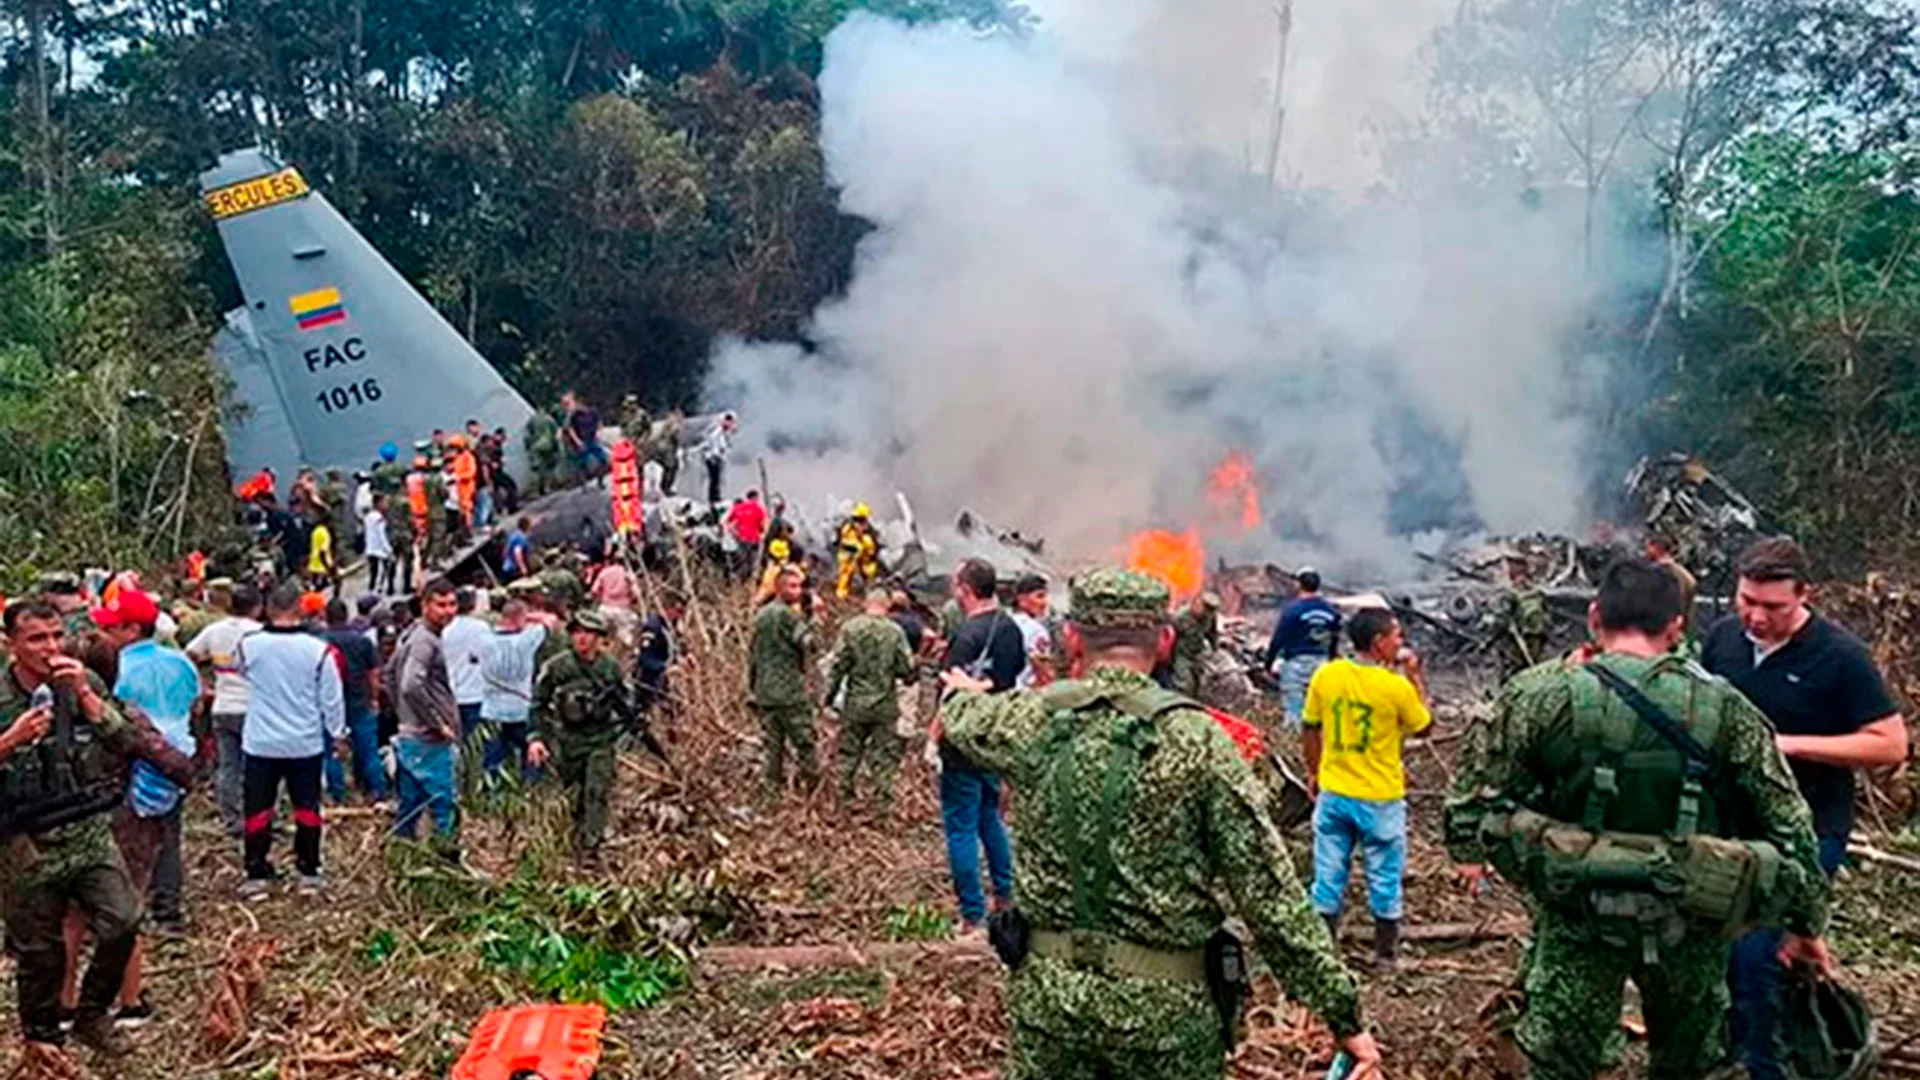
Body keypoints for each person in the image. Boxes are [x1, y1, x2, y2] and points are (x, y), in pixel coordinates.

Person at [939, 567, 1381, 1080]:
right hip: (1167, 1018)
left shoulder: (1028, 721)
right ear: (1166, 641)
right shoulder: (1201, 741)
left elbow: (961, 718)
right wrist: (1344, 1015)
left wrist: (965, 691)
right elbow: (1270, 897)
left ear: (1072, 637)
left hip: (1049, 1008)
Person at [1445, 557, 1836, 1080]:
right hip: (1692, 918)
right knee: (1691, 1063)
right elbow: (1791, 827)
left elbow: (1469, 807)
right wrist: (1805, 924)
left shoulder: (1537, 695)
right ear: (1676, 627)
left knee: (1560, 1062)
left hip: (1577, 916)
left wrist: (1517, 854)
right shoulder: (1727, 708)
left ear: (1594, 616)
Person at [1698, 536, 1908, 1080]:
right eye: (1747, 600)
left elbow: (1889, 744)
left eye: (1772, 606)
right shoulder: (1722, 639)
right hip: (1728, 827)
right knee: (1718, 952)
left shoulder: (1839, 656)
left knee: (1756, 957)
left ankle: (1768, 1068)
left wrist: (1791, 745)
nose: (1756, 615)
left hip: (1808, 830)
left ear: (1803, 596)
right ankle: (1733, 1051)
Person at [0, 600, 194, 1059]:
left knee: (124, 918)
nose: (50, 648)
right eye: (37, 639)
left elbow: (128, 740)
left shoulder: (83, 682)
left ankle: (92, 1013)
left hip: (86, 829)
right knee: (38, 954)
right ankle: (43, 1041)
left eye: (55, 635)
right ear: (11, 644)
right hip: (24, 840)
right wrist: (11, 740)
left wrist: (87, 700)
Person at [1302, 607, 1429, 971]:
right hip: (1379, 799)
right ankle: (1385, 955)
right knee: (1385, 877)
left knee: (1327, 874)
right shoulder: (1396, 688)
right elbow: (1424, 727)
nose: (1400, 642)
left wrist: (1314, 772)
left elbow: (1310, 728)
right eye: (1396, 636)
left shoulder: (1327, 676)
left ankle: (1323, 954)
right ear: (1378, 643)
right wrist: (1415, 676)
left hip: (1335, 794)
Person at [95, 588, 200, 1019]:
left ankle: (124, 916)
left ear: (131, 628)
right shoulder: (180, 661)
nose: (105, 632)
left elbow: (115, 722)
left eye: (111, 626)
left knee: (128, 848)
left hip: (136, 764)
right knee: (168, 836)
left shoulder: (118, 670)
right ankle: (169, 909)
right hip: (175, 759)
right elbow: (196, 700)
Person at [928, 557, 1023, 934]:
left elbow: (951, 695)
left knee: (961, 826)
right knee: (990, 817)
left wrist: (934, 739)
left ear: (965, 590)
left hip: (963, 742)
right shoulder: (1011, 629)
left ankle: (972, 916)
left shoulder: (966, 637)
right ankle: (1006, 894)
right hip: (994, 736)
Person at [235, 584, 347, 896]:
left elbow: (241, 671)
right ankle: (308, 870)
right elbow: (331, 699)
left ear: (267, 610)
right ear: (301, 610)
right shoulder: (318, 651)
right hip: (304, 743)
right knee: (307, 808)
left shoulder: (249, 645)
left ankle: (256, 871)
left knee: (258, 809)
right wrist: (338, 734)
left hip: (260, 742)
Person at [529, 611, 629, 860]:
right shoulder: (558, 667)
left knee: (596, 791)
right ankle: (570, 842)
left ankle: (591, 847)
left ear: (599, 638)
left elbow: (625, 704)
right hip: (568, 741)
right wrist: (536, 738)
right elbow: (538, 704)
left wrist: (627, 731)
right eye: (578, 633)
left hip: (601, 739)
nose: (582, 638)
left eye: (589, 633)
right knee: (573, 794)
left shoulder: (610, 667)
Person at [826, 590, 916, 813]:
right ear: (887, 606)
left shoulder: (851, 628)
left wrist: (829, 696)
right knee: (883, 756)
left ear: (866, 603)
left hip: (855, 703)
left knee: (849, 752)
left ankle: (844, 797)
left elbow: (837, 666)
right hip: (884, 705)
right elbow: (906, 668)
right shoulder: (895, 632)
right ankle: (881, 803)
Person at [186, 584, 263, 838]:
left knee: (228, 766)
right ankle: (258, 816)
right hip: (254, 708)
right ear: (257, 608)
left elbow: (189, 655)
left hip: (223, 707)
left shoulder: (214, 631)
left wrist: (201, 686)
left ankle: (232, 819)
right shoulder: (259, 634)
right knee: (258, 765)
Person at [390, 578, 461, 846]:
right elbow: (409, 684)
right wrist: (436, 722)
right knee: (445, 803)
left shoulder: (412, 634)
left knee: (412, 802)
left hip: (411, 735)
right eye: (440, 604)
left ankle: (402, 854)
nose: (448, 611)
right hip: (428, 740)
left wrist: (405, 716)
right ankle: (448, 859)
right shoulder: (425, 641)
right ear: (425, 605)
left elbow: (390, 675)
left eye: (452, 604)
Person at [749, 565, 820, 800]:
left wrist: (753, 687)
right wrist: (816, 617)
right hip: (789, 692)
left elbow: (753, 656)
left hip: (765, 691)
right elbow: (810, 643)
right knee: (805, 743)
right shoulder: (787, 615)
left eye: (799, 586)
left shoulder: (760, 615)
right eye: (793, 586)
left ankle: (771, 795)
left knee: (773, 748)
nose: (798, 591)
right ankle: (812, 792)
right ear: (779, 588)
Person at [321, 599, 387, 806]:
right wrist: (374, 698)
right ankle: (378, 790)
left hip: (329, 704)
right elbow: (373, 674)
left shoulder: (319, 642)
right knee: (368, 750)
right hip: (359, 701)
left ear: (325, 617)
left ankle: (337, 793)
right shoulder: (362, 642)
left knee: (332, 750)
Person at [480, 600, 548, 782]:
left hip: (491, 710)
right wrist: (530, 616)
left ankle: (491, 792)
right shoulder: (527, 640)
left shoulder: (483, 640)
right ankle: (530, 791)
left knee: (492, 758)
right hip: (521, 709)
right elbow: (549, 621)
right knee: (531, 753)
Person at [1265, 569, 1340, 730]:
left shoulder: (1293, 610)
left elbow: (1279, 638)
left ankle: (1294, 743)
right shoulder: (1330, 611)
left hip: (1295, 664)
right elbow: (1334, 638)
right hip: (1322, 663)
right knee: (1319, 707)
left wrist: (1269, 662)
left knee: (1294, 708)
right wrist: (1331, 659)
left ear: (1299, 584)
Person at [441, 589, 490, 742]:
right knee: (475, 743)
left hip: (451, 693)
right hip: (476, 692)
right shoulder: (481, 628)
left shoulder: (445, 629)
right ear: (473, 604)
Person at [636, 592, 684, 716]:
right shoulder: (653, 627)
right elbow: (644, 658)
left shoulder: (671, 627)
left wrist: (685, 656)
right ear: (668, 609)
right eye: (677, 611)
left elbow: (674, 647)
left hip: (665, 681)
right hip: (649, 681)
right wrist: (665, 668)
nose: (680, 615)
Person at [1168, 591, 1220, 699]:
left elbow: (1212, 633)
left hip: (1197, 651)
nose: (1206, 614)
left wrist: (1215, 648)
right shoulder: (1180, 617)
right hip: (1182, 654)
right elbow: (1170, 637)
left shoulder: (1210, 617)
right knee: (1184, 683)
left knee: (1199, 681)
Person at [1008, 574, 1055, 688]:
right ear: (1022, 600)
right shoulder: (1036, 630)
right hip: (1026, 692)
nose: (1044, 603)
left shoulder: (1004, 622)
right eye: (1039, 596)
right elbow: (1043, 672)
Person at [834, 503, 881, 601]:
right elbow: (846, 547)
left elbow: (870, 557)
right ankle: (842, 596)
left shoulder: (867, 538)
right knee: (846, 575)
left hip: (864, 569)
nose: (865, 524)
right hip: (849, 565)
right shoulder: (848, 532)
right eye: (862, 521)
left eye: (865, 521)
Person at [560, 391, 609, 479]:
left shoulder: (593, 411)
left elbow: (599, 422)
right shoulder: (574, 415)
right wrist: (577, 441)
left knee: (603, 459)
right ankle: (583, 478)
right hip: (582, 440)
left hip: (593, 438)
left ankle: (600, 477)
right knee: (583, 461)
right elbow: (570, 428)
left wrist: (598, 433)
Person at [698, 411, 737, 507]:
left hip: (716, 458)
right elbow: (714, 445)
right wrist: (716, 457)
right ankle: (713, 498)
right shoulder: (717, 432)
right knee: (714, 479)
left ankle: (715, 497)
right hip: (713, 458)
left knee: (717, 479)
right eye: (730, 421)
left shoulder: (723, 432)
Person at [364, 494, 396, 596]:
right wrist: (388, 550)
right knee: (382, 574)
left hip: (370, 549)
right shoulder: (379, 518)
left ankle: (371, 591)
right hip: (380, 551)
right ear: (378, 503)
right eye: (384, 502)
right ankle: (379, 593)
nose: (386, 505)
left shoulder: (368, 516)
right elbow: (381, 535)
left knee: (373, 573)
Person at [755, 538, 796, 607]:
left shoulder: (773, 566)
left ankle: (756, 602)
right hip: (771, 587)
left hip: (769, 586)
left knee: (762, 592)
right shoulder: (781, 565)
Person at [502, 516, 535, 582]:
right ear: (526, 526)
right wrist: (523, 568)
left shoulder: (514, 534)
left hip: (507, 567)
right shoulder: (520, 537)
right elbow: (517, 553)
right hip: (514, 569)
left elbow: (504, 553)